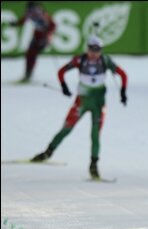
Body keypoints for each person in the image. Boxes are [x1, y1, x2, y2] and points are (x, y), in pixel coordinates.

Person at [30, 35, 128, 179]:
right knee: (67, 128)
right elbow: (61, 71)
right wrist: (64, 87)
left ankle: (94, 165)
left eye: (98, 50)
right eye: (92, 49)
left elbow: (123, 75)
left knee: (95, 135)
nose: (94, 53)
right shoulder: (79, 60)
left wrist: (123, 92)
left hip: (98, 104)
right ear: (87, 48)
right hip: (81, 102)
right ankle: (48, 152)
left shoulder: (105, 61)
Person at [10, 1, 56, 82]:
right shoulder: (30, 12)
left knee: (32, 54)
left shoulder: (40, 13)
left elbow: (52, 25)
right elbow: (24, 19)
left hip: (43, 37)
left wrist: (47, 35)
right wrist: (16, 24)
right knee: (29, 54)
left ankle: (28, 74)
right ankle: (28, 74)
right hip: (37, 36)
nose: (31, 12)